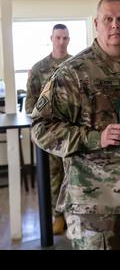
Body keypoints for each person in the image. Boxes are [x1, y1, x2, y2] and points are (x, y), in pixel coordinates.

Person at [31, 0, 120, 250]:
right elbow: (41, 127)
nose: (115, 25)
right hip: (94, 205)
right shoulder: (72, 73)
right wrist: (95, 137)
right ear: (96, 23)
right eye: (108, 19)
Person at [25, 23, 72, 235]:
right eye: (58, 38)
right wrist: (38, 130)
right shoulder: (38, 68)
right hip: (52, 133)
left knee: (75, 175)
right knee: (55, 176)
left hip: (73, 131)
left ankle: (74, 215)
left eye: (65, 38)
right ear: (51, 38)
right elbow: (30, 104)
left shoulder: (75, 65)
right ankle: (58, 216)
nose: (61, 42)